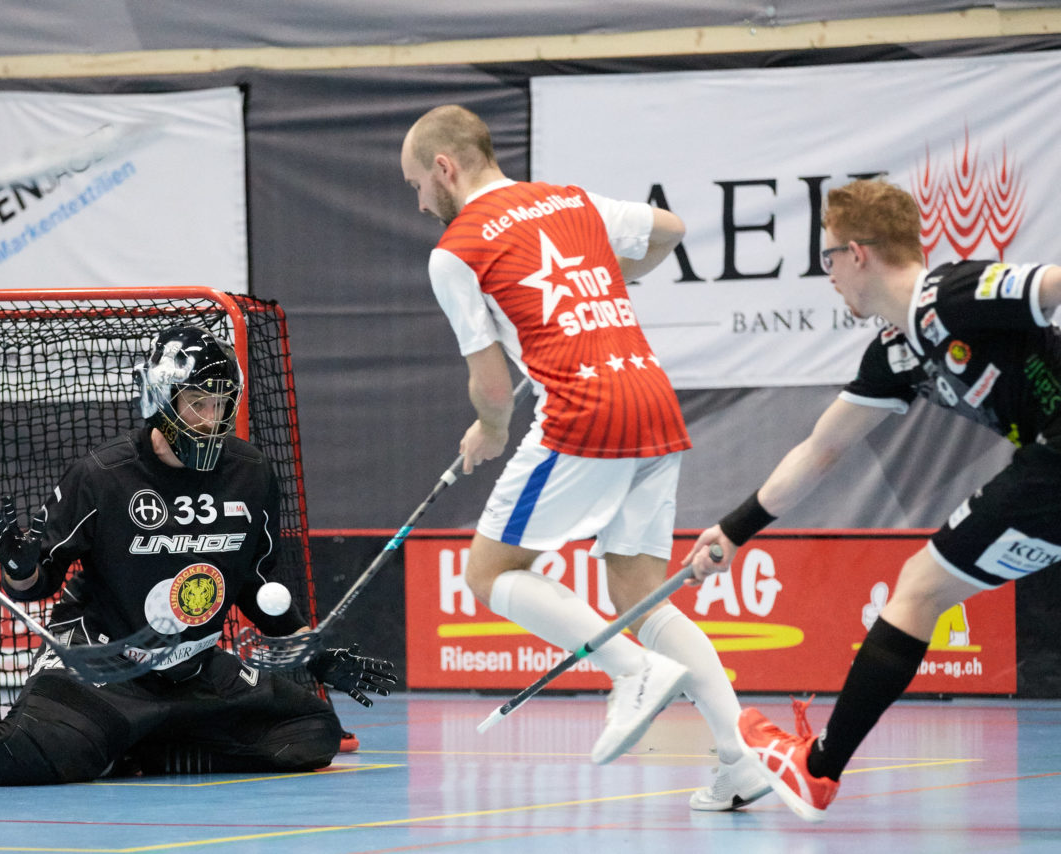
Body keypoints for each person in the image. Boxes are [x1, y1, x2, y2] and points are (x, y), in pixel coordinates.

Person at [400, 104, 771, 810]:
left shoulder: (457, 249)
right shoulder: (567, 200)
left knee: (489, 571)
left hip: (582, 411)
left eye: (418, 183)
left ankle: (627, 670)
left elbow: (490, 384)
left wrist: (491, 428)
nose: (419, 200)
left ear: (445, 167)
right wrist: (618, 274)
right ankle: (739, 757)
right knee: (640, 596)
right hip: (652, 398)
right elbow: (670, 229)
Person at [0, 325, 396, 784]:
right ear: (159, 397)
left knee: (311, 732)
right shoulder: (102, 476)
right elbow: (35, 585)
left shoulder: (249, 473)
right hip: (103, 667)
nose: (210, 420)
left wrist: (310, 654)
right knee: (30, 753)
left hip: (193, 671)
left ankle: (137, 750)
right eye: (196, 403)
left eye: (221, 405)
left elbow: (254, 585)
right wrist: (18, 563)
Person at [682, 178, 1061, 822]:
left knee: (919, 586)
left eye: (827, 257)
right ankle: (818, 768)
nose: (826, 274)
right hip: (1046, 468)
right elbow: (820, 449)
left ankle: (817, 769)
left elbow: (1052, 284)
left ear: (858, 253)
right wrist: (733, 531)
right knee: (921, 588)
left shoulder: (953, 294)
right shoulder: (898, 351)